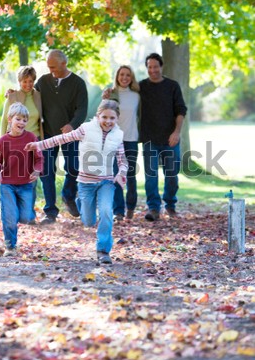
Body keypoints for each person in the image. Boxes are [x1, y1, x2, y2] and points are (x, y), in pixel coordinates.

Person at [25, 100, 128, 265]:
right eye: (105, 117)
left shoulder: (118, 135)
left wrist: (121, 173)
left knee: (107, 212)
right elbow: (61, 139)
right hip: (86, 183)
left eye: (112, 118)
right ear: (97, 116)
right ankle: (80, 202)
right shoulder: (85, 129)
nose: (108, 121)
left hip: (106, 182)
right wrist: (38, 145)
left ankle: (103, 250)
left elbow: (122, 160)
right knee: (88, 221)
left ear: (117, 119)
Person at [34, 49, 88, 224]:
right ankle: (50, 212)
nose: (51, 70)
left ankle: (68, 195)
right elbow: (29, 95)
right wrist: (13, 93)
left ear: (64, 64)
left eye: (53, 67)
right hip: (48, 133)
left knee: (73, 167)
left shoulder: (78, 84)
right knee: (47, 170)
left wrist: (72, 125)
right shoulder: (43, 82)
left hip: (70, 134)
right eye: (48, 67)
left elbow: (82, 109)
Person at [0, 103, 44, 256]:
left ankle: (16, 221)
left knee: (26, 217)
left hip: (26, 184)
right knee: (9, 216)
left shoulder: (31, 138)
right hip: (7, 184)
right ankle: (10, 246)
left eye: (24, 120)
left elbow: (39, 158)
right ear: (9, 119)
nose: (21, 123)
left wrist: (37, 170)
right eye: (18, 119)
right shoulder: (3, 141)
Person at [140, 52, 187, 221]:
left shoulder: (172, 86)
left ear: (161, 66)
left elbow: (181, 110)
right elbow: (124, 92)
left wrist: (176, 132)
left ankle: (170, 206)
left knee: (172, 175)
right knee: (151, 176)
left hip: (170, 139)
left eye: (155, 66)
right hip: (150, 139)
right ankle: (153, 208)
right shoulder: (141, 86)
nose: (153, 70)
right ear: (147, 68)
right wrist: (110, 92)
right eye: (149, 67)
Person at [0, 65, 44, 215]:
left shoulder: (38, 96)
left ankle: (28, 212)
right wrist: (3, 143)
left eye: (31, 81)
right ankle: (15, 209)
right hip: (15, 140)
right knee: (15, 176)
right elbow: (4, 121)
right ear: (19, 81)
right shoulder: (12, 97)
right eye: (24, 81)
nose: (28, 84)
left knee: (32, 177)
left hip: (34, 140)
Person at [103, 65, 140, 221]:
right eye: (122, 74)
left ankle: (130, 207)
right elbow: (102, 116)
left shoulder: (137, 96)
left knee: (130, 175)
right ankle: (118, 211)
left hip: (131, 139)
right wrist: (104, 99)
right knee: (116, 174)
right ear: (117, 76)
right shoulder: (111, 94)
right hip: (115, 140)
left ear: (131, 78)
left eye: (128, 75)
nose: (124, 77)